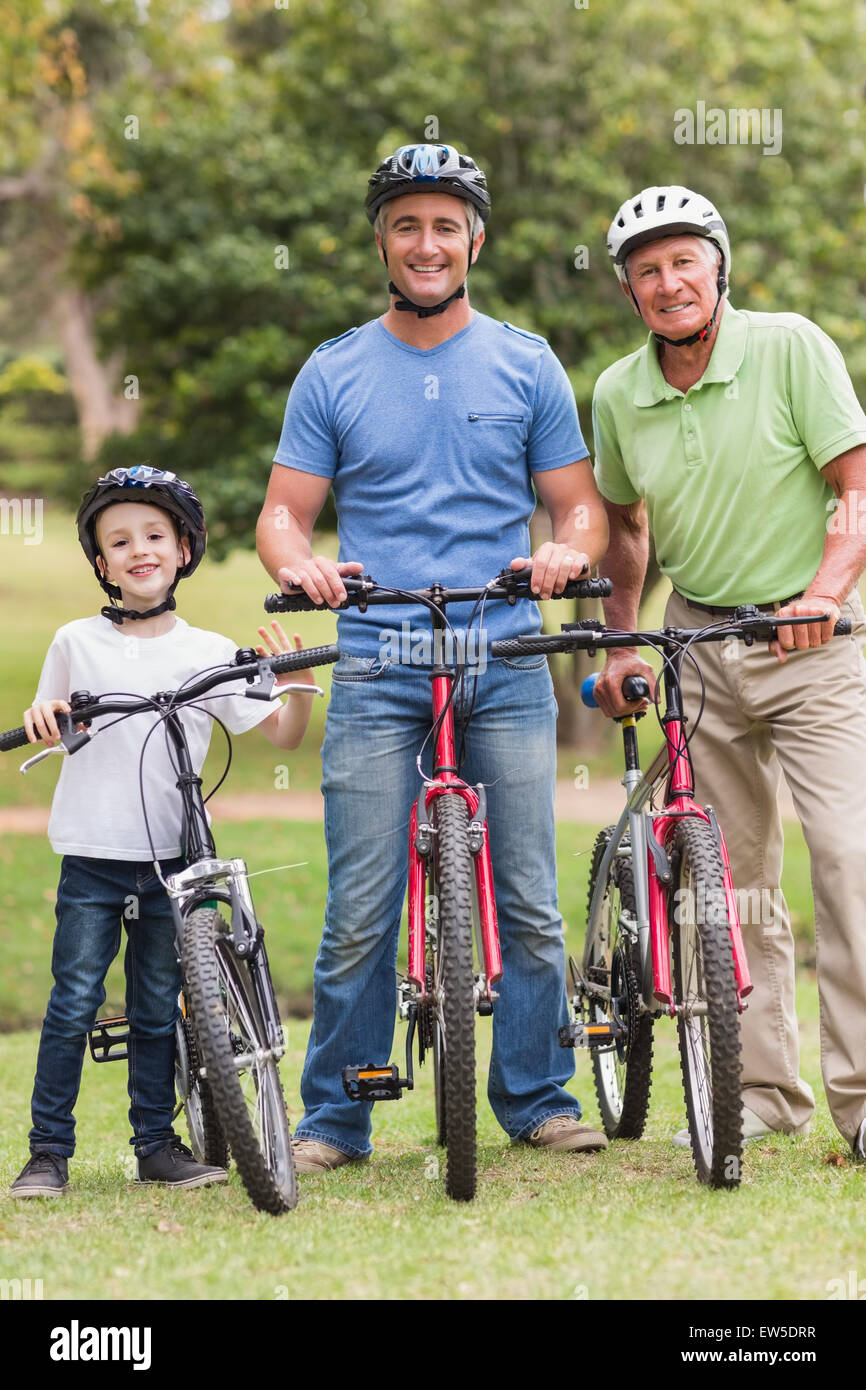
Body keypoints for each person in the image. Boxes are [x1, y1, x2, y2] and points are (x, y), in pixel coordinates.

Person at [257, 142, 609, 1173]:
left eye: (443, 225)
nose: (424, 243)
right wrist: (303, 565)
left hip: (501, 656)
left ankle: (536, 1093)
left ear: (474, 241)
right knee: (358, 906)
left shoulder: (525, 361)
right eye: (405, 225)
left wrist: (564, 548)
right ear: (381, 241)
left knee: (531, 898)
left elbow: (579, 504)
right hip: (377, 660)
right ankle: (335, 1115)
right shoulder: (333, 369)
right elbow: (283, 515)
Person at [591, 185, 866, 1159]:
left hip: (812, 647)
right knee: (730, 885)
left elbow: (854, 485)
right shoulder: (618, 392)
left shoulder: (790, 346)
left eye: (682, 261)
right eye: (645, 270)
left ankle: (861, 1096)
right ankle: (760, 1092)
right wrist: (620, 642)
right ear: (628, 292)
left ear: (716, 266)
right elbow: (624, 529)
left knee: (846, 860)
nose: (667, 283)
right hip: (697, 646)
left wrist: (825, 588)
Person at [10, 465, 316, 1199]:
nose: (138, 550)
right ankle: (48, 1152)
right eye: (119, 541)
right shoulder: (74, 640)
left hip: (174, 861)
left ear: (184, 549)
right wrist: (40, 717)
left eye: (154, 535)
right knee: (73, 1000)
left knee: (156, 1005)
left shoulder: (207, 649)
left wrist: (291, 685)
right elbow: (46, 716)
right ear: (101, 563)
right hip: (92, 854)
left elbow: (281, 735)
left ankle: (156, 1143)